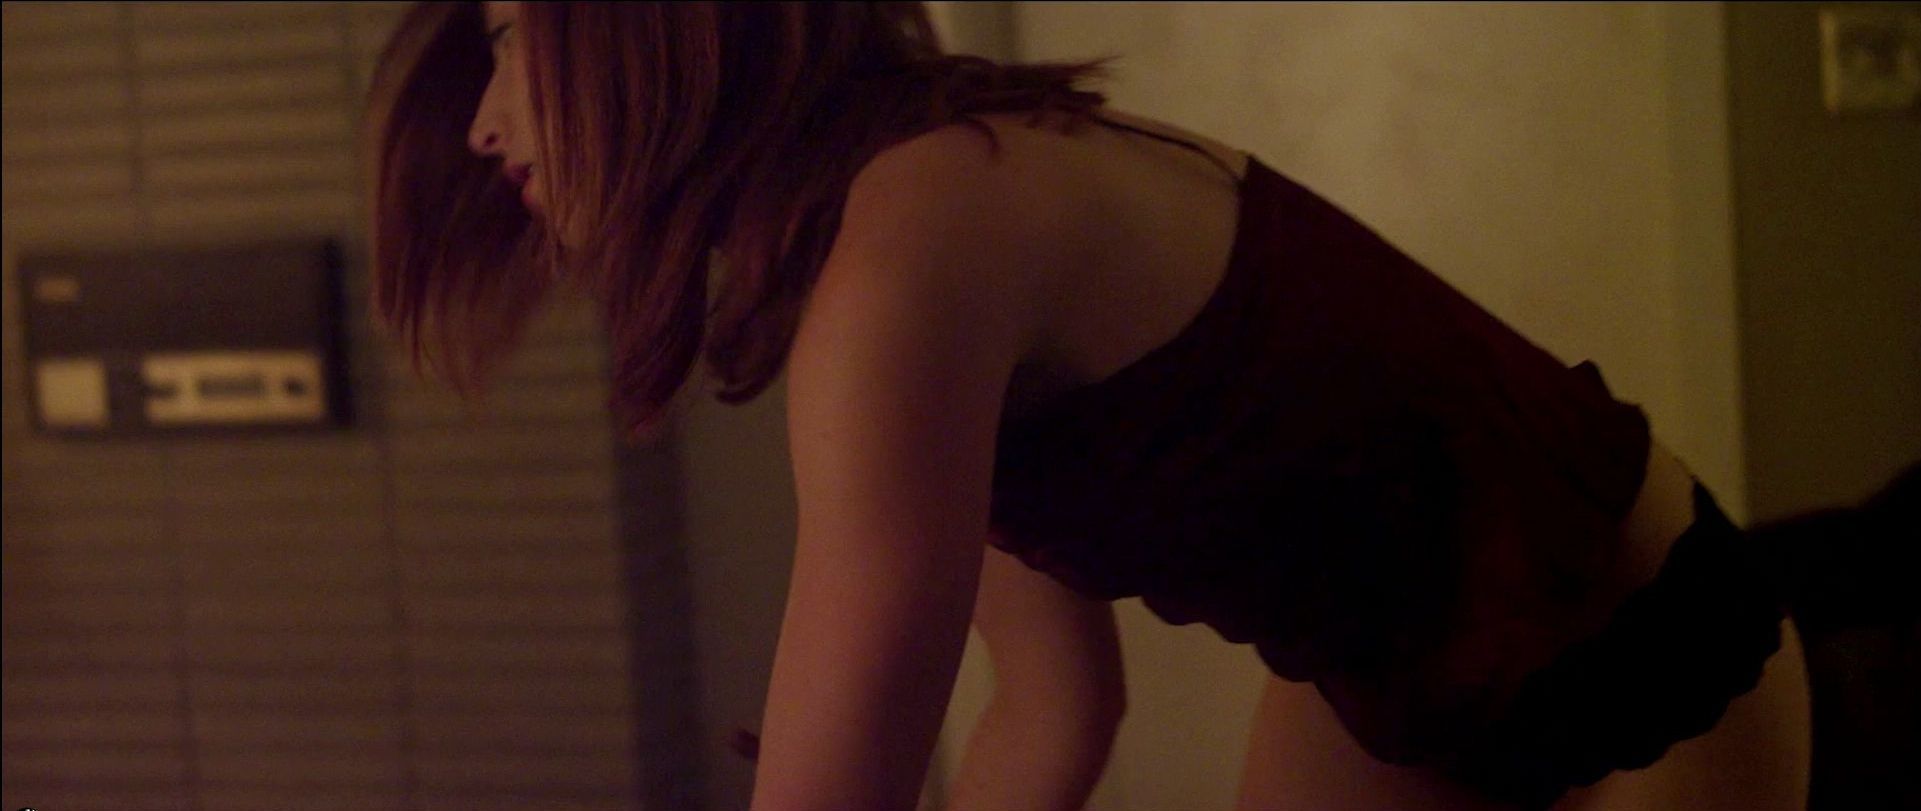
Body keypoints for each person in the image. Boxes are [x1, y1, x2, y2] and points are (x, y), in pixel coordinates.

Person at [366, 3, 1835, 809]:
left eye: (508, 33)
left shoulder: (920, 235)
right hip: (1376, 670)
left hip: (1625, 631)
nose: (485, 119)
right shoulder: (890, 225)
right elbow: (1053, 705)